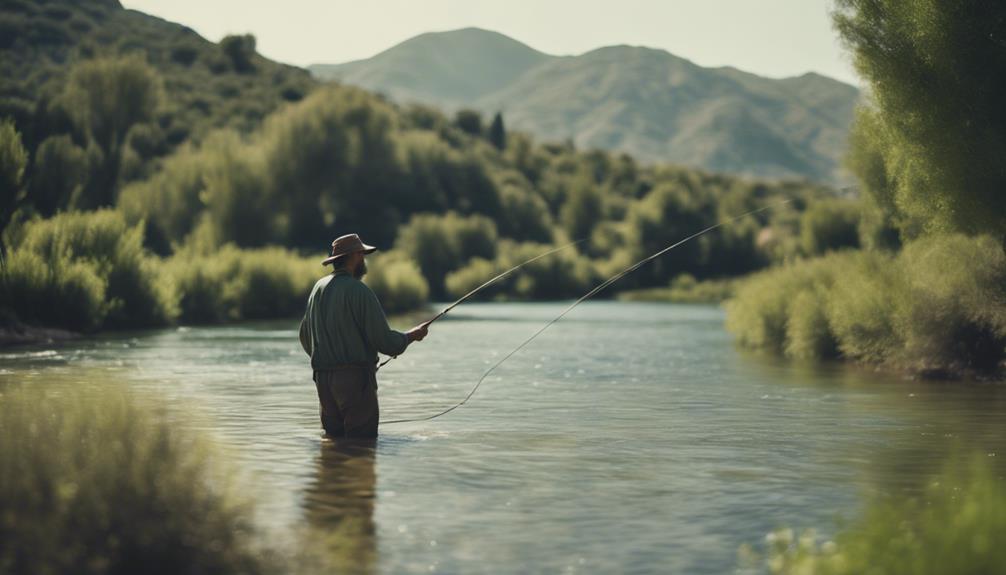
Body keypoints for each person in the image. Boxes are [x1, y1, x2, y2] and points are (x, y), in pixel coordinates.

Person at [300, 233, 429, 438]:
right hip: (354, 381)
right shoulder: (359, 291)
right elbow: (385, 342)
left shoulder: (318, 288)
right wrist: (412, 335)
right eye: (362, 254)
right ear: (354, 256)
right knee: (361, 445)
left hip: (322, 380)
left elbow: (305, 337)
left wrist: (328, 358)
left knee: (334, 444)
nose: (364, 260)